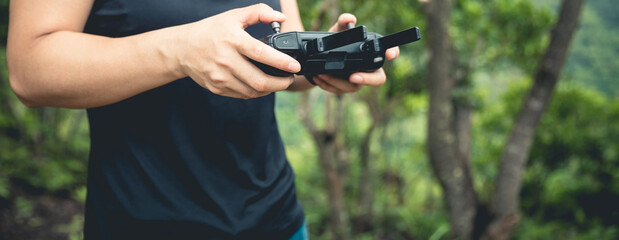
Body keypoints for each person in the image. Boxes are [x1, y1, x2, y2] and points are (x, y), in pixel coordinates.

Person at [7, 0, 399, 239]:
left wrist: (322, 58)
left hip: (277, 219)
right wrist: (179, 49)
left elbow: (283, 55)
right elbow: (30, 70)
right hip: (144, 224)